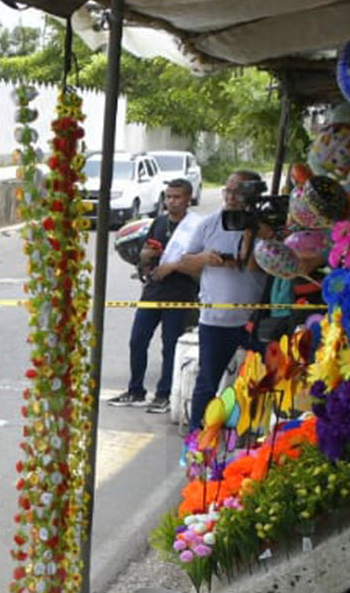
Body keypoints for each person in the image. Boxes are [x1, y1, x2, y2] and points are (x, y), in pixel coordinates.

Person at [181, 171, 271, 428]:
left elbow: (262, 267)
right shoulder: (209, 224)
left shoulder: (264, 227)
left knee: (260, 381)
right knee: (208, 381)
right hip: (216, 320)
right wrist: (204, 259)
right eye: (227, 191)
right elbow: (186, 260)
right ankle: (198, 434)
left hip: (257, 319)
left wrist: (260, 237)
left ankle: (251, 434)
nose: (231, 197)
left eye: (238, 192)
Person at [108, 178, 200, 412]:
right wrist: (145, 257)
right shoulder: (158, 222)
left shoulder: (196, 227)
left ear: (188, 199)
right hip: (153, 291)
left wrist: (174, 267)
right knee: (137, 340)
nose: (171, 201)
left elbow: (199, 264)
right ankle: (135, 390)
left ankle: (164, 394)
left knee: (170, 345)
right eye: (168, 196)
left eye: (177, 197)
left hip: (180, 293)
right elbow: (144, 258)